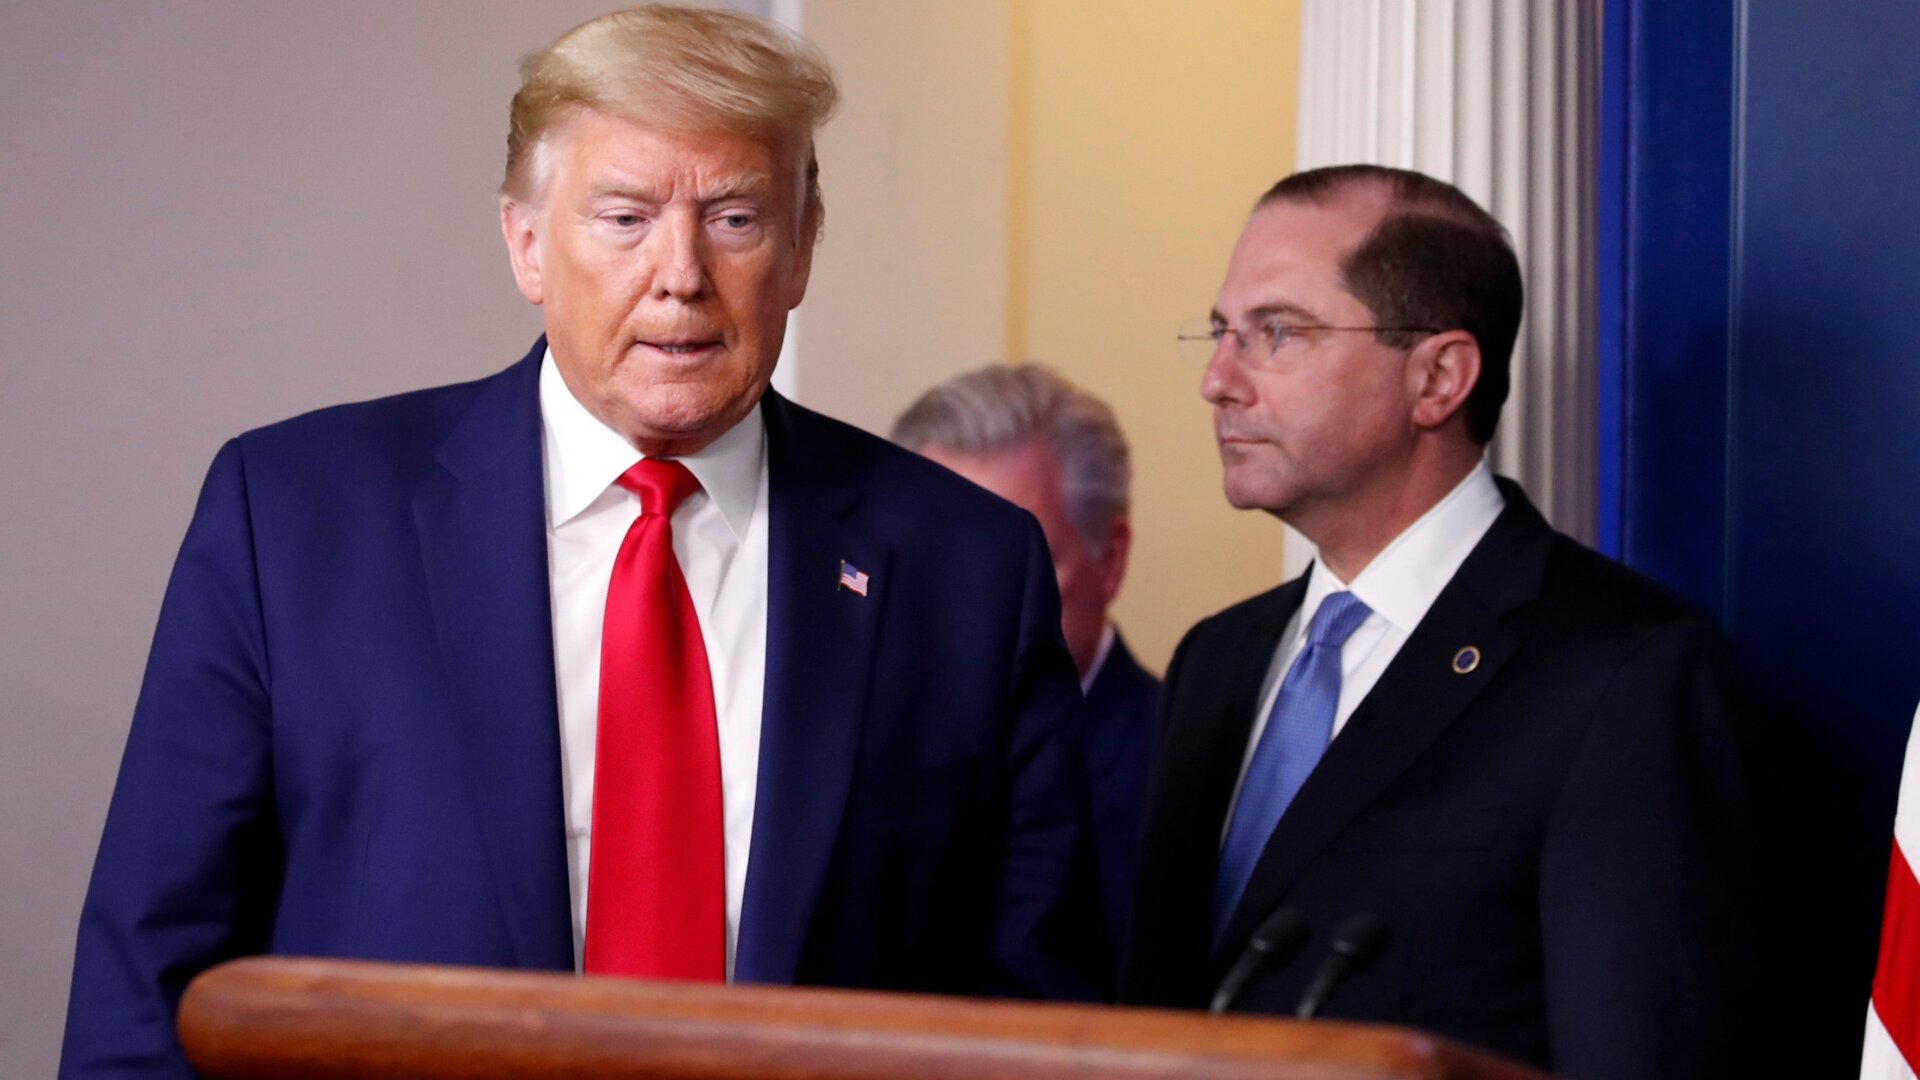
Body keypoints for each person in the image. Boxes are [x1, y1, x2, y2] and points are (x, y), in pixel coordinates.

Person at [62, 8, 1103, 1077]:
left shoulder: (968, 570)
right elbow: (148, 984)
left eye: (736, 218)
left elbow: (1033, 1022)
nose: (681, 273)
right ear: (525, 243)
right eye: (624, 216)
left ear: (801, 248)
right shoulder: (294, 519)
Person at [1118, 165, 1759, 1078]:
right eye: (1221, 333)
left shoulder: (1626, 676)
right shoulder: (1216, 658)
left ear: (1439, 378)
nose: (1218, 381)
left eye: (1276, 333)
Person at [891, 364, 1158, 948]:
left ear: (1109, 562)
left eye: (1010, 575)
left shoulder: (1174, 770)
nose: (958, 610)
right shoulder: (847, 744)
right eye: (929, 564)